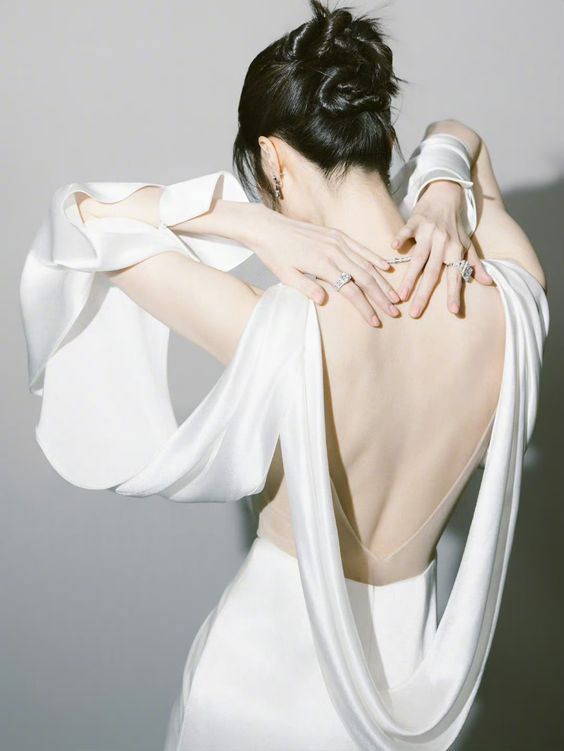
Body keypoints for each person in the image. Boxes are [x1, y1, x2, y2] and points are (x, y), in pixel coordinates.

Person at [19, 2, 549, 749]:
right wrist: (440, 183)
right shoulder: (513, 300)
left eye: (262, 185)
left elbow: (76, 221)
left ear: (271, 162)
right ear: (386, 138)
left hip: (254, 688)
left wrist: (248, 224)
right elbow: (464, 140)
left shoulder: (282, 324)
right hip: (417, 684)